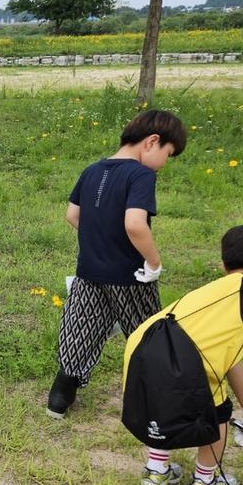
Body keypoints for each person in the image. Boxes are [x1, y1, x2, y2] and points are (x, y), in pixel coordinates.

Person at [125, 224, 243, 485]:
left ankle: (156, 471)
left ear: (224, 265)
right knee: (217, 415)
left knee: (162, 405)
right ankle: (205, 480)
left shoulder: (217, 291)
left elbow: (231, 360)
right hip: (185, 361)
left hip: (145, 347)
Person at [46, 110, 187, 419]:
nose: (165, 163)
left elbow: (72, 215)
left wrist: (100, 238)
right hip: (130, 274)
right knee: (147, 332)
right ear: (152, 141)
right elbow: (135, 224)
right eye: (168, 154)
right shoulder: (141, 175)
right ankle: (159, 398)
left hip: (88, 271)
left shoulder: (92, 170)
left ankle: (60, 396)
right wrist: (154, 263)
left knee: (80, 327)